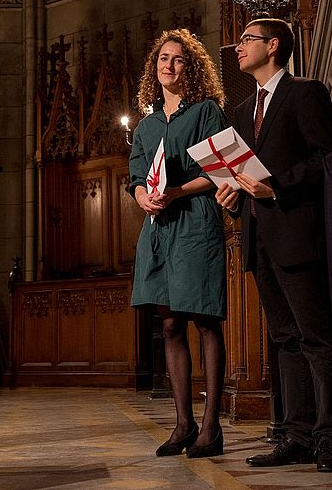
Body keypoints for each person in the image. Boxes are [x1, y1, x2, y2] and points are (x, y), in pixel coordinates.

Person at [214, 18, 332, 472]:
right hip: (258, 239)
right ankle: (298, 435)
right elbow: (242, 177)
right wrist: (230, 196)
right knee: (285, 341)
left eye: (247, 40)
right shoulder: (242, 110)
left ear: (273, 46)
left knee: (316, 339)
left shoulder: (305, 93)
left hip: (297, 233)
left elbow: (327, 158)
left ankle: (331, 439)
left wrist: (278, 186)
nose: (238, 48)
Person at [128, 29, 228, 458]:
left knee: (204, 320)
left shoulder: (206, 111)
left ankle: (211, 427)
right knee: (169, 324)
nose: (168, 65)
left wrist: (178, 192)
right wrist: (142, 196)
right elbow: (134, 177)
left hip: (195, 222)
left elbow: (221, 171)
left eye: (178, 60)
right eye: (163, 59)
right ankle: (183, 423)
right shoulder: (146, 125)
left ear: (192, 68)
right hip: (157, 228)